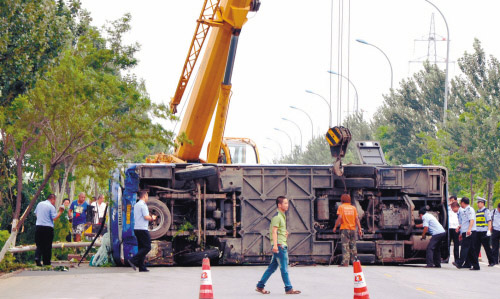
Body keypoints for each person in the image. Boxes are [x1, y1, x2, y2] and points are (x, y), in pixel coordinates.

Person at [256, 196, 301, 295]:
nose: (287, 205)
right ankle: (288, 288)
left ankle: (260, 286)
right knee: (284, 268)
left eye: (287, 203)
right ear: (279, 205)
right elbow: (274, 231)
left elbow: (278, 230)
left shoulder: (282, 216)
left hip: (280, 244)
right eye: (285, 203)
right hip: (280, 246)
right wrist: (275, 246)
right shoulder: (277, 217)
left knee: (272, 268)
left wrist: (284, 232)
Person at [128, 191, 156, 272]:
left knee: (141, 247)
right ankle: (133, 260)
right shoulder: (143, 205)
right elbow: (146, 217)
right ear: (144, 196)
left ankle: (141, 267)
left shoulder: (136, 204)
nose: (147, 198)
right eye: (147, 196)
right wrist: (152, 218)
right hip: (142, 229)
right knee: (147, 247)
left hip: (137, 228)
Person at [333, 194, 363, 267]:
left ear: (342, 200)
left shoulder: (341, 207)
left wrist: (335, 226)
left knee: (345, 245)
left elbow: (340, 217)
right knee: (353, 245)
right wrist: (359, 229)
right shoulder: (353, 208)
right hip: (353, 229)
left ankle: (345, 263)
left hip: (345, 229)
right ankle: (355, 262)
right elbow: (357, 219)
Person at [34, 194, 64, 266]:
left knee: (39, 244)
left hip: (38, 226)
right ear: (52, 199)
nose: (54, 202)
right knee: (47, 245)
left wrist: (41, 219)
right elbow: (54, 218)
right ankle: (46, 262)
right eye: (55, 201)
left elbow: (36, 214)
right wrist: (60, 212)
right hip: (48, 227)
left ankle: (37, 258)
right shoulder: (51, 207)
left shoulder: (39, 204)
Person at [453, 197, 480, 270]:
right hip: (466, 231)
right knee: (471, 249)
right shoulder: (465, 210)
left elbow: (471, 220)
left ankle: (459, 263)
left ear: (462, 202)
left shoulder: (469, 210)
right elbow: (465, 222)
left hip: (469, 231)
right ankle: (475, 265)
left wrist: (469, 229)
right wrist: (460, 227)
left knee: (464, 247)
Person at [475, 197, 495, 266]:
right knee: (476, 248)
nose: (477, 204)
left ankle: (492, 261)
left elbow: (489, 221)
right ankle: (475, 262)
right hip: (478, 232)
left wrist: (489, 230)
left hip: (484, 232)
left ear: (482, 203)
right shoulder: (477, 212)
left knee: (487, 248)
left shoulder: (486, 211)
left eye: (479, 203)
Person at [447, 196, 460, 263]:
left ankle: (457, 259)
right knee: (447, 243)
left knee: (456, 244)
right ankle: (446, 257)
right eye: (450, 200)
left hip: (456, 228)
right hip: (449, 227)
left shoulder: (458, 209)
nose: (451, 202)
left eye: (453, 200)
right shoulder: (448, 208)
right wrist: (449, 204)